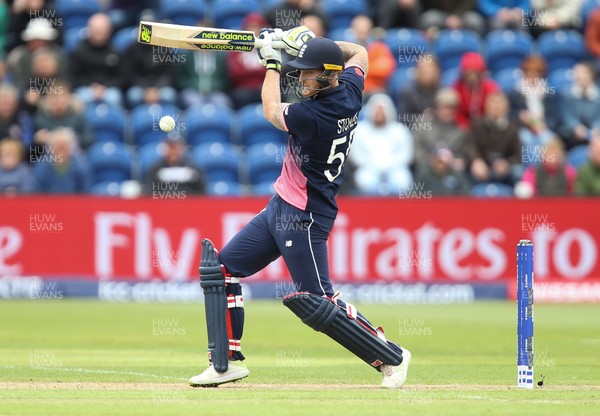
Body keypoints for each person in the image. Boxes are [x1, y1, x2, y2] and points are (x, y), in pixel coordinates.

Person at [189, 31, 410, 389]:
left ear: (326, 75)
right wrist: (304, 43)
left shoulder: (314, 114)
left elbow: (270, 110)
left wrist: (273, 62)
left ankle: (392, 356)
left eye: (307, 72)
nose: (301, 78)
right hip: (281, 205)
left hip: (304, 215)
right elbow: (360, 52)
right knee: (222, 271)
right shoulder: (351, 89)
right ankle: (223, 363)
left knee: (317, 302)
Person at [350, 93, 413, 195]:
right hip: (368, 168)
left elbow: (406, 155)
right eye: (376, 110)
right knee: (365, 181)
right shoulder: (360, 131)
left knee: (402, 181)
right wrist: (374, 164)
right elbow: (356, 156)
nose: (379, 113)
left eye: (382, 110)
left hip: (395, 168)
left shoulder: (399, 130)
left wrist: (389, 164)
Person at [465, 92, 522, 186]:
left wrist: (507, 163)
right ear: (486, 106)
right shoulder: (477, 125)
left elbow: (517, 154)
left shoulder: (512, 129)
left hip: (503, 169)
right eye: (493, 102)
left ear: (506, 107)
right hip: (482, 167)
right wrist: (476, 160)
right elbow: (470, 146)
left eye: (499, 103)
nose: (496, 106)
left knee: (517, 171)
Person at [69, 13, 124, 106]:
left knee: (115, 97)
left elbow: (122, 77)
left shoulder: (115, 51)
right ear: (89, 29)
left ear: (109, 31)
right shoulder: (79, 51)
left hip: (109, 89)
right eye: (96, 28)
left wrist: (104, 86)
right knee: (79, 97)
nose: (99, 31)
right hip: (86, 88)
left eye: (102, 29)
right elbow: (73, 76)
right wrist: (91, 86)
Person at [413, 88, 468, 173]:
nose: (449, 112)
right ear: (436, 108)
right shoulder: (423, 123)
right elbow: (417, 150)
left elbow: (463, 155)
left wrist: (455, 161)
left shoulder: (461, 129)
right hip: (426, 168)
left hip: (451, 169)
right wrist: (433, 161)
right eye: (445, 108)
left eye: (452, 108)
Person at [33, 128, 91, 193]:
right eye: (58, 147)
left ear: (71, 148)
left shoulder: (81, 166)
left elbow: (86, 193)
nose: (61, 152)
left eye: (63, 147)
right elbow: (37, 193)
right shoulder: (41, 167)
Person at [558, 62, 600, 150]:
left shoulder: (598, 95)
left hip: (594, 131)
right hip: (573, 133)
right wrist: (576, 127)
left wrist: (596, 128)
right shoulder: (567, 94)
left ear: (591, 75)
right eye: (576, 72)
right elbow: (567, 115)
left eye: (582, 72)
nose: (578, 75)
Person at [453, 52, 500, 130]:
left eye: (475, 72)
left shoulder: (489, 87)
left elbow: (495, 110)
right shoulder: (457, 88)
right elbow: (455, 112)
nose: (472, 76)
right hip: (462, 127)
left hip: (486, 126)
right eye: (469, 72)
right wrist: (463, 124)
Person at [397, 56, 440, 128]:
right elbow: (401, 118)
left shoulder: (441, 90)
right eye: (424, 69)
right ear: (417, 71)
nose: (428, 72)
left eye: (431, 68)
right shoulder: (408, 91)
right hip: (414, 131)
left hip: (438, 131)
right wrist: (422, 117)